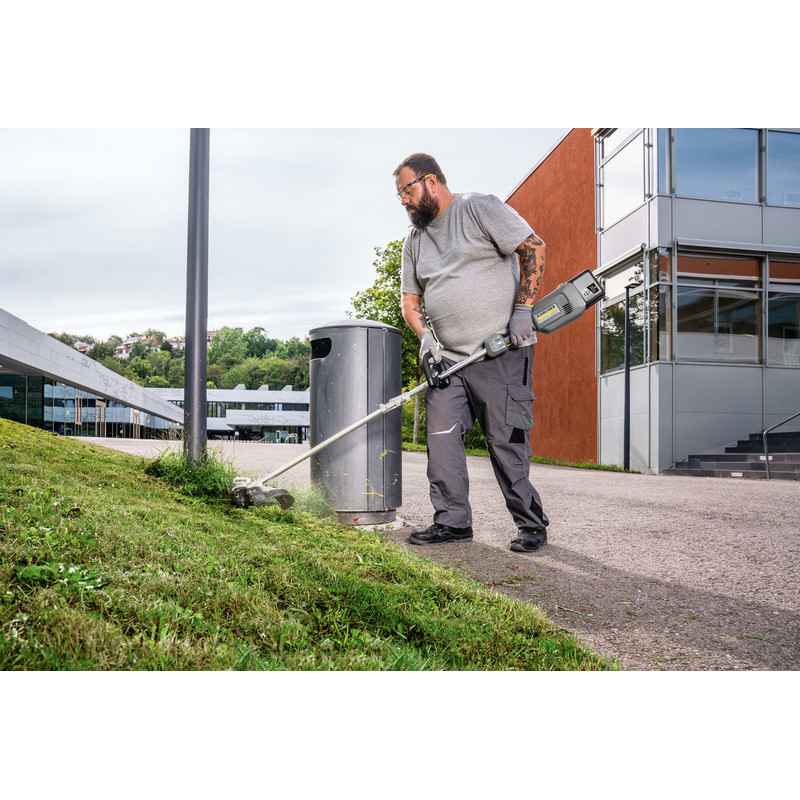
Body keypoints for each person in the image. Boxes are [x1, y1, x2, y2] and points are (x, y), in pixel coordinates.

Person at [396, 152, 549, 553]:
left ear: (431, 181)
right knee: (441, 441)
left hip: (502, 353)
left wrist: (523, 309)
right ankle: (453, 522)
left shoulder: (477, 207)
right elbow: (410, 301)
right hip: (448, 360)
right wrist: (426, 338)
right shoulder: (414, 241)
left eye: (407, 190)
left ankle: (531, 524)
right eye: (399, 195)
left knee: (506, 443)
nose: (404, 201)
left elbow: (533, 247)